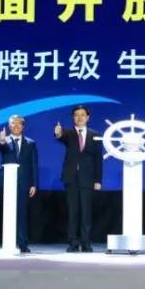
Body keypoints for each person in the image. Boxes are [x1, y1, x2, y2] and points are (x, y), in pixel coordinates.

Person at [54, 105, 103, 252]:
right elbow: (61, 137)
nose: (79, 117)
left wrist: (98, 180)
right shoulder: (68, 134)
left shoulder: (95, 135)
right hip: (71, 179)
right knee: (73, 212)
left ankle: (86, 242)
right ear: (73, 118)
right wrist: (58, 133)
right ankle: (73, 242)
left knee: (86, 213)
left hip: (88, 180)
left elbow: (98, 160)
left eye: (82, 115)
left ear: (87, 117)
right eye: (76, 115)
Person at [0, 114, 39, 253]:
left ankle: (22, 243)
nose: (16, 126)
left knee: (22, 214)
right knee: (7, 214)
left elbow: (34, 164)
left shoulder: (30, 143)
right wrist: (2, 140)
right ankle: (8, 242)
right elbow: (0, 147)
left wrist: (34, 184)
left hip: (23, 183)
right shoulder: (4, 141)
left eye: (19, 123)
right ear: (9, 126)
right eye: (13, 123)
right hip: (6, 183)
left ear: (23, 126)